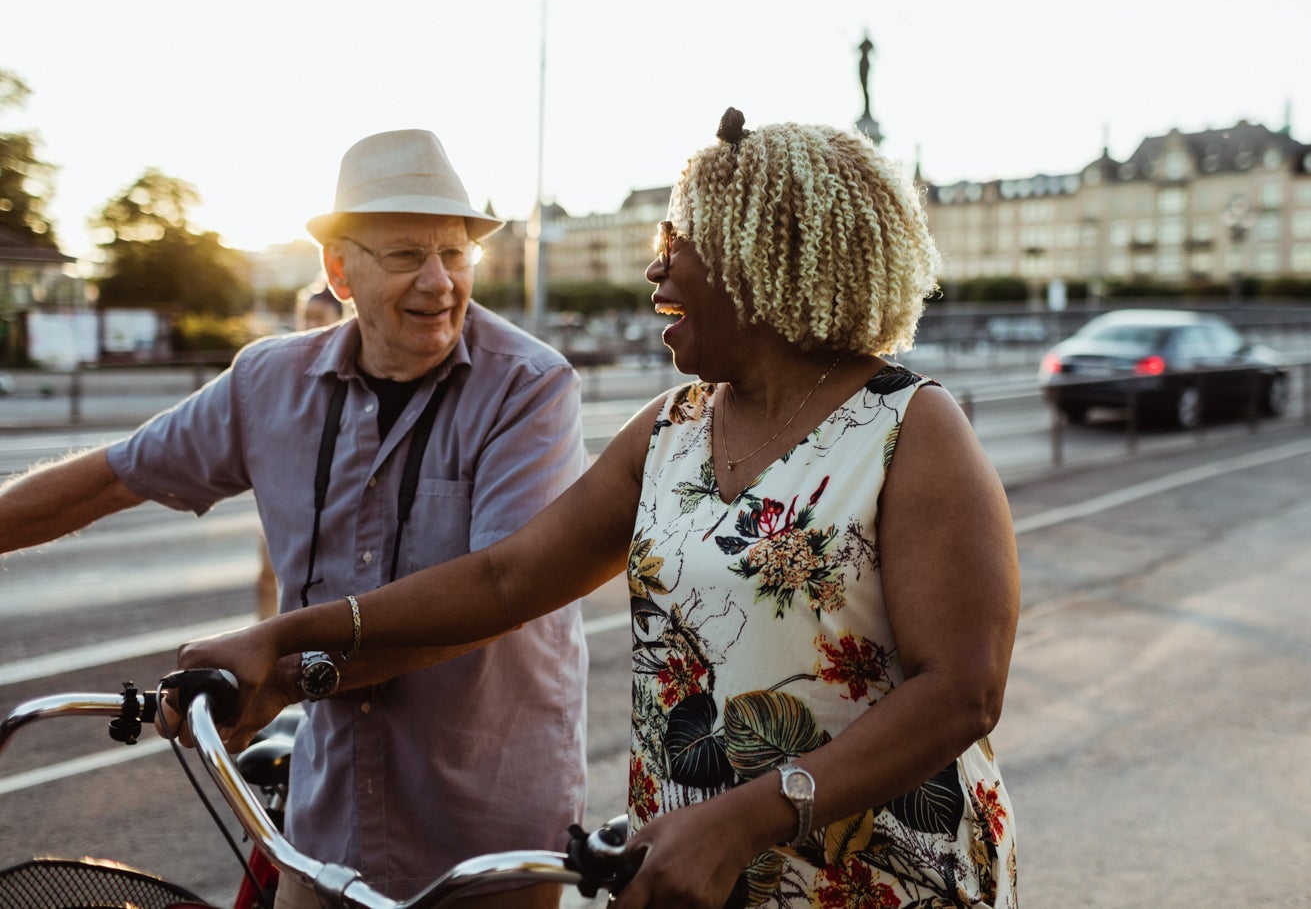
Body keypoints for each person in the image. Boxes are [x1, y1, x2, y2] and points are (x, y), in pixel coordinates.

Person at [180, 109, 1022, 909]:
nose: (655, 268)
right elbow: (505, 577)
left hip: (878, 876)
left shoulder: (911, 425)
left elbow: (961, 692)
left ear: (761, 258)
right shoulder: (669, 430)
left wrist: (744, 818)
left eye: (677, 242)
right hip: (693, 878)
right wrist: (285, 641)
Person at [0, 129, 589, 909]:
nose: (441, 282)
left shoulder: (530, 389)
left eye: (458, 252)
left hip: (485, 836)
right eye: (407, 255)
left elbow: (494, 598)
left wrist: (284, 671)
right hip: (327, 825)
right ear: (340, 270)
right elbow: (113, 475)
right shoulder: (268, 382)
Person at [255, 282, 347, 621]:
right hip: (284, 490)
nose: (310, 324)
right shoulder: (287, 366)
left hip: (330, 499)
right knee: (267, 577)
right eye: (305, 316)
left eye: (318, 316)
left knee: (320, 588)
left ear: (341, 317)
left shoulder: (351, 368)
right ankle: (264, 647)